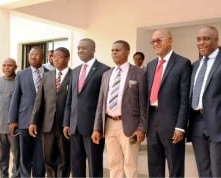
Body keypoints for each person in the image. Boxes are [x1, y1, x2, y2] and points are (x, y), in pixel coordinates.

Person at [187, 26, 221, 178]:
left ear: (216, 40)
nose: (201, 42)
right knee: (204, 171)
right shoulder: (195, 65)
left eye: (206, 38)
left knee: (220, 172)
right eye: (198, 39)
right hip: (197, 123)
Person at [92, 40, 147, 178]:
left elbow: (143, 103)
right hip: (109, 124)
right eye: (112, 50)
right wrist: (97, 128)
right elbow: (101, 103)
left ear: (127, 52)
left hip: (129, 125)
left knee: (130, 164)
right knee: (114, 163)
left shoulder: (139, 73)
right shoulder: (107, 74)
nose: (114, 52)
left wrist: (141, 128)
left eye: (118, 50)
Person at [146, 29, 192, 177]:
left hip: (172, 124)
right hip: (152, 121)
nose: (155, 43)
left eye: (159, 40)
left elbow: (185, 98)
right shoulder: (151, 65)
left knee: (175, 167)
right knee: (154, 166)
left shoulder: (183, 63)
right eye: (153, 41)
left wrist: (180, 126)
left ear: (170, 41)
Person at [63, 38, 109, 177]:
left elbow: (103, 102)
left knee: (94, 164)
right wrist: (66, 123)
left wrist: (98, 127)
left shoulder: (104, 70)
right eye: (78, 48)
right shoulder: (75, 71)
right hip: (74, 126)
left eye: (83, 48)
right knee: (76, 163)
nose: (80, 51)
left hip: (93, 128)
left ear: (93, 49)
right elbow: (70, 100)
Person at [29, 47, 71, 177]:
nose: (55, 59)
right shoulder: (47, 76)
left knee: (64, 158)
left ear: (67, 58)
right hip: (47, 125)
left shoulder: (74, 75)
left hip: (65, 126)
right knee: (48, 158)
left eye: (59, 57)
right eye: (54, 57)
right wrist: (33, 121)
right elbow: (39, 100)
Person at [8, 47, 47, 177]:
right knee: (24, 156)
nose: (33, 57)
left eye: (36, 54)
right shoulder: (21, 74)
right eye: (31, 54)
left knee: (40, 156)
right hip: (24, 121)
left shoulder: (50, 73)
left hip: (44, 123)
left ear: (43, 57)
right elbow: (16, 97)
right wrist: (12, 120)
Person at [0, 58, 20, 177]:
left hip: (14, 126)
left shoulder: (20, 81)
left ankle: (16, 176)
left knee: (17, 155)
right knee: (2, 156)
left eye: (9, 65)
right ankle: (3, 175)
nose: (6, 68)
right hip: (0, 125)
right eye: (4, 65)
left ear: (15, 67)